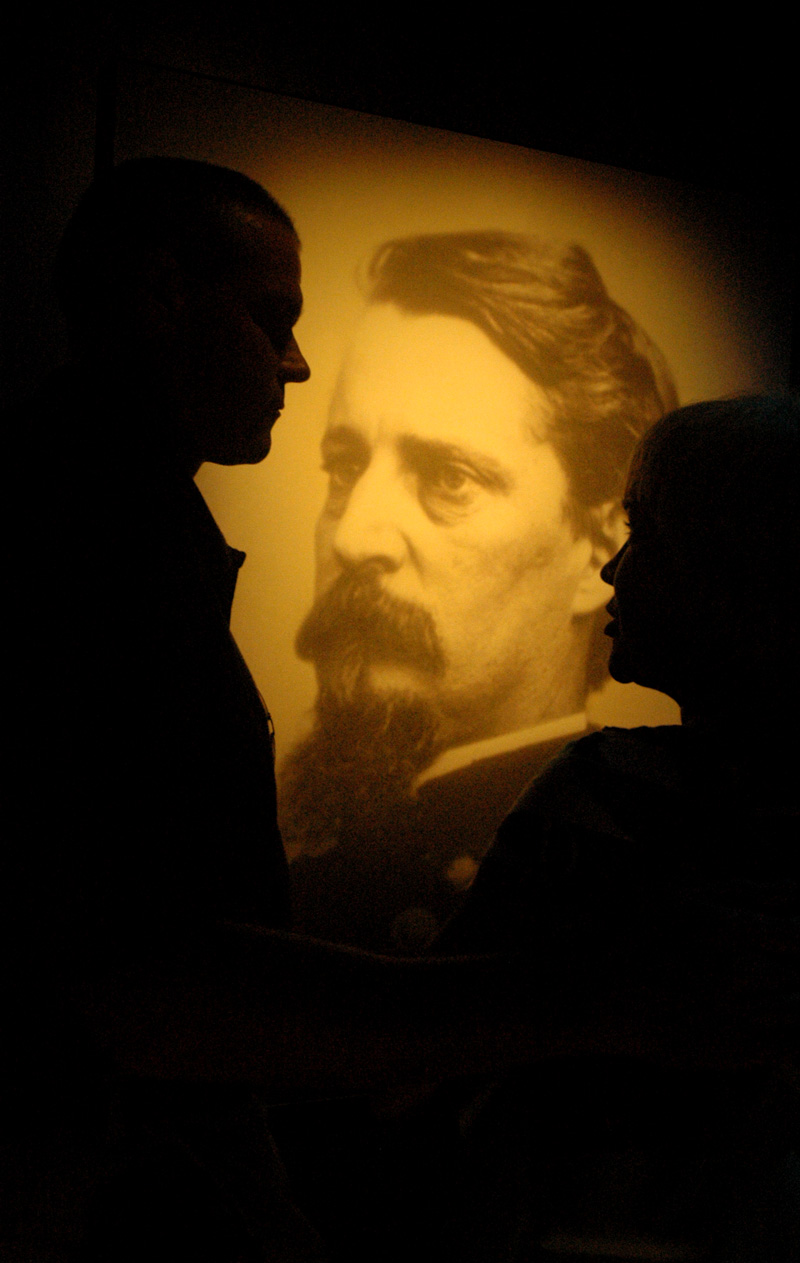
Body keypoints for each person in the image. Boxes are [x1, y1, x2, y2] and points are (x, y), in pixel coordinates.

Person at [432, 394, 799, 1262]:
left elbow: (432, 1036)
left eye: (644, 534)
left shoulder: (597, 797)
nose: (610, 570)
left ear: (731, 571)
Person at [280, 230, 678, 951]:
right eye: (344, 469)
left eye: (449, 479)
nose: (352, 538)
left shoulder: (637, 884)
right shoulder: (318, 854)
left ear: (599, 551)